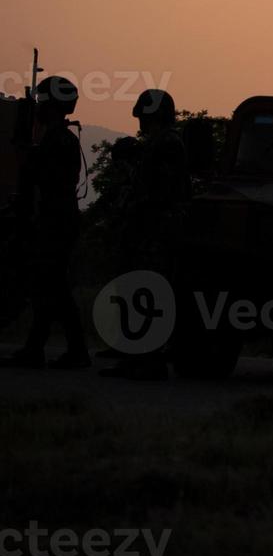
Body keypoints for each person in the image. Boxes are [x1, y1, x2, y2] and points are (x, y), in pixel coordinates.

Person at [99, 89, 192, 380]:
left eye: (143, 115)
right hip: (149, 229)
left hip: (154, 231)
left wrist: (137, 209)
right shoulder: (160, 143)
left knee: (145, 293)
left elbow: (160, 192)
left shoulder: (166, 145)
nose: (139, 121)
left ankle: (146, 359)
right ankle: (139, 358)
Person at [0, 76, 88, 370]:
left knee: (52, 288)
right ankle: (43, 347)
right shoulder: (56, 139)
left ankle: (64, 350)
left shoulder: (58, 141)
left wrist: (27, 157)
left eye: (42, 102)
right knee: (50, 287)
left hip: (55, 223)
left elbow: (49, 181)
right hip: (55, 221)